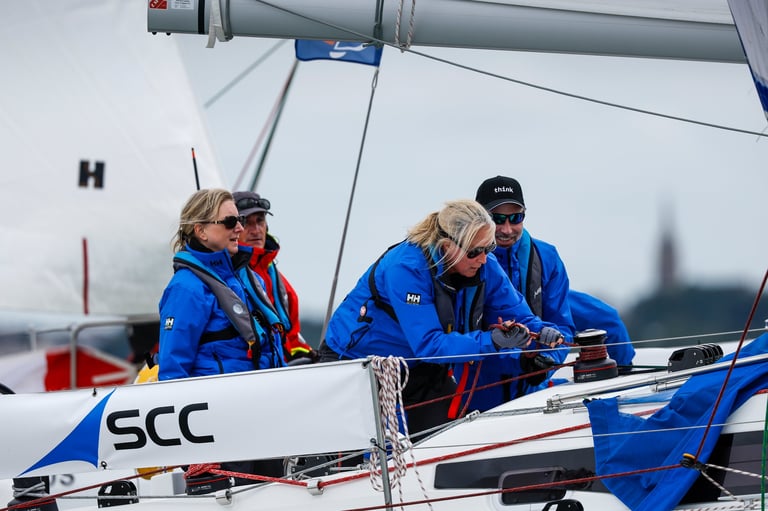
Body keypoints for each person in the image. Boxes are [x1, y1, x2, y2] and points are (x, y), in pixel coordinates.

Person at [319, 199, 567, 436]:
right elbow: (429, 344)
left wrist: (545, 336)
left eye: (488, 248)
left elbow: (519, 314)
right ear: (447, 246)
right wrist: (492, 340)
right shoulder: (406, 268)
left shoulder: (484, 264)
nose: (483, 258)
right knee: (370, 458)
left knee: (448, 441)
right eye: (475, 252)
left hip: (419, 368)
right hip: (361, 368)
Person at [466, 175, 633, 410]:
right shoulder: (465, 258)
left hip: (533, 389)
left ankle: (624, 391)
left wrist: (544, 362)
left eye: (516, 218)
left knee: (609, 320)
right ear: (479, 218)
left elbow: (562, 327)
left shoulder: (547, 257)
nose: (506, 229)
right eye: (497, 219)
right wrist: (518, 360)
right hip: (478, 392)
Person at [157, 188, 287, 490]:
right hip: (218, 426)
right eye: (230, 222)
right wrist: (190, 448)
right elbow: (173, 371)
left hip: (261, 416)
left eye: (239, 222)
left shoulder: (243, 277)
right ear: (201, 230)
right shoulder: (186, 289)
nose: (240, 229)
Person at [233, 190, 316, 363]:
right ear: (234, 229)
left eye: (260, 221)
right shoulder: (226, 277)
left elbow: (292, 336)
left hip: (280, 367)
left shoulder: (278, 280)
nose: (256, 230)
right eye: (247, 223)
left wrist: (308, 356)